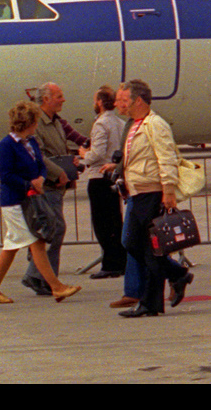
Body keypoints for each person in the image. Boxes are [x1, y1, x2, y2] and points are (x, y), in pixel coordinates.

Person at [0, 101, 81, 304]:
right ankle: (56, 287)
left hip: (29, 199)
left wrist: (41, 179)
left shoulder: (31, 142)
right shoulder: (5, 146)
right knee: (36, 243)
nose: (37, 124)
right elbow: (6, 176)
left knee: (12, 246)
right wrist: (29, 183)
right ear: (27, 123)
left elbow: (41, 164)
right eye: (35, 121)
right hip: (14, 201)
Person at [116, 79, 192, 317]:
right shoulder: (135, 125)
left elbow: (166, 157)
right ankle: (177, 275)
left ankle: (151, 302)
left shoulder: (154, 124)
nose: (123, 105)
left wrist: (168, 189)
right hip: (137, 192)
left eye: (126, 100)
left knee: (145, 247)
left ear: (138, 100)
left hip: (151, 191)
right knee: (136, 244)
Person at [21, 82, 87, 296]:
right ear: (46, 99)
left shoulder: (56, 122)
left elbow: (58, 149)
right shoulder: (38, 124)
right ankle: (37, 276)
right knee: (54, 229)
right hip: (46, 186)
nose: (63, 99)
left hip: (56, 186)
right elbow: (38, 155)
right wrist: (59, 172)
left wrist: (72, 161)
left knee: (52, 230)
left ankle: (41, 278)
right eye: (59, 96)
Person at [81, 86, 127, 279]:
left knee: (102, 224)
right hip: (112, 177)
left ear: (99, 102)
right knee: (115, 221)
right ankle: (120, 261)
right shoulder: (120, 122)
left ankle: (110, 263)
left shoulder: (101, 124)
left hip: (99, 176)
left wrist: (84, 156)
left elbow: (98, 153)